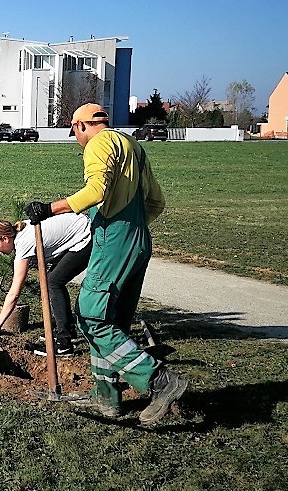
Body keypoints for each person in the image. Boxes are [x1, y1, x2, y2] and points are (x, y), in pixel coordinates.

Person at [24, 103, 187, 425]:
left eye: (74, 131)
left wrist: (50, 208)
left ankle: (160, 382)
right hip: (138, 239)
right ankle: (106, 398)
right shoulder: (133, 145)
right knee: (113, 324)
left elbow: (96, 190)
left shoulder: (98, 144)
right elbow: (156, 202)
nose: (75, 138)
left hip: (114, 240)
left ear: (80, 126)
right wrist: (133, 227)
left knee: (91, 316)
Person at [0, 213, 92, 356]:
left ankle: (65, 344)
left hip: (86, 236)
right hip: (82, 229)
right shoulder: (20, 231)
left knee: (53, 283)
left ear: (5, 238)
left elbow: (14, 293)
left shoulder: (23, 243)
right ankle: (68, 333)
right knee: (52, 281)